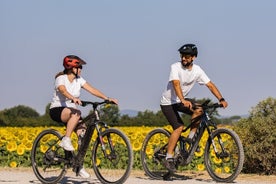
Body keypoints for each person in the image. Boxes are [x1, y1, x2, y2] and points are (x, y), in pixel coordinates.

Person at [160, 44, 228, 173]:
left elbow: (210, 85)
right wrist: (183, 100)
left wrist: (221, 99)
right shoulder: (175, 67)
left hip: (181, 101)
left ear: (193, 57)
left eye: (186, 56)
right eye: (182, 56)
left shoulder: (197, 70)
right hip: (168, 102)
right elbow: (176, 84)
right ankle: (168, 158)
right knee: (179, 127)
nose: (183, 58)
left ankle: (190, 139)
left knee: (200, 109)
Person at [49, 55, 118, 178]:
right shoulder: (61, 78)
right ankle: (66, 139)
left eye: (80, 67)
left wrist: (107, 98)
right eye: (78, 66)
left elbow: (92, 90)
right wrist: (73, 98)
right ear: (71, 68)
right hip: (57, 110)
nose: (80, 69)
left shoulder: (79, 80)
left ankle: (78, 165)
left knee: (83, 135)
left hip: (72, 113)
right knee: (77, 113)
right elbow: (63, 90)